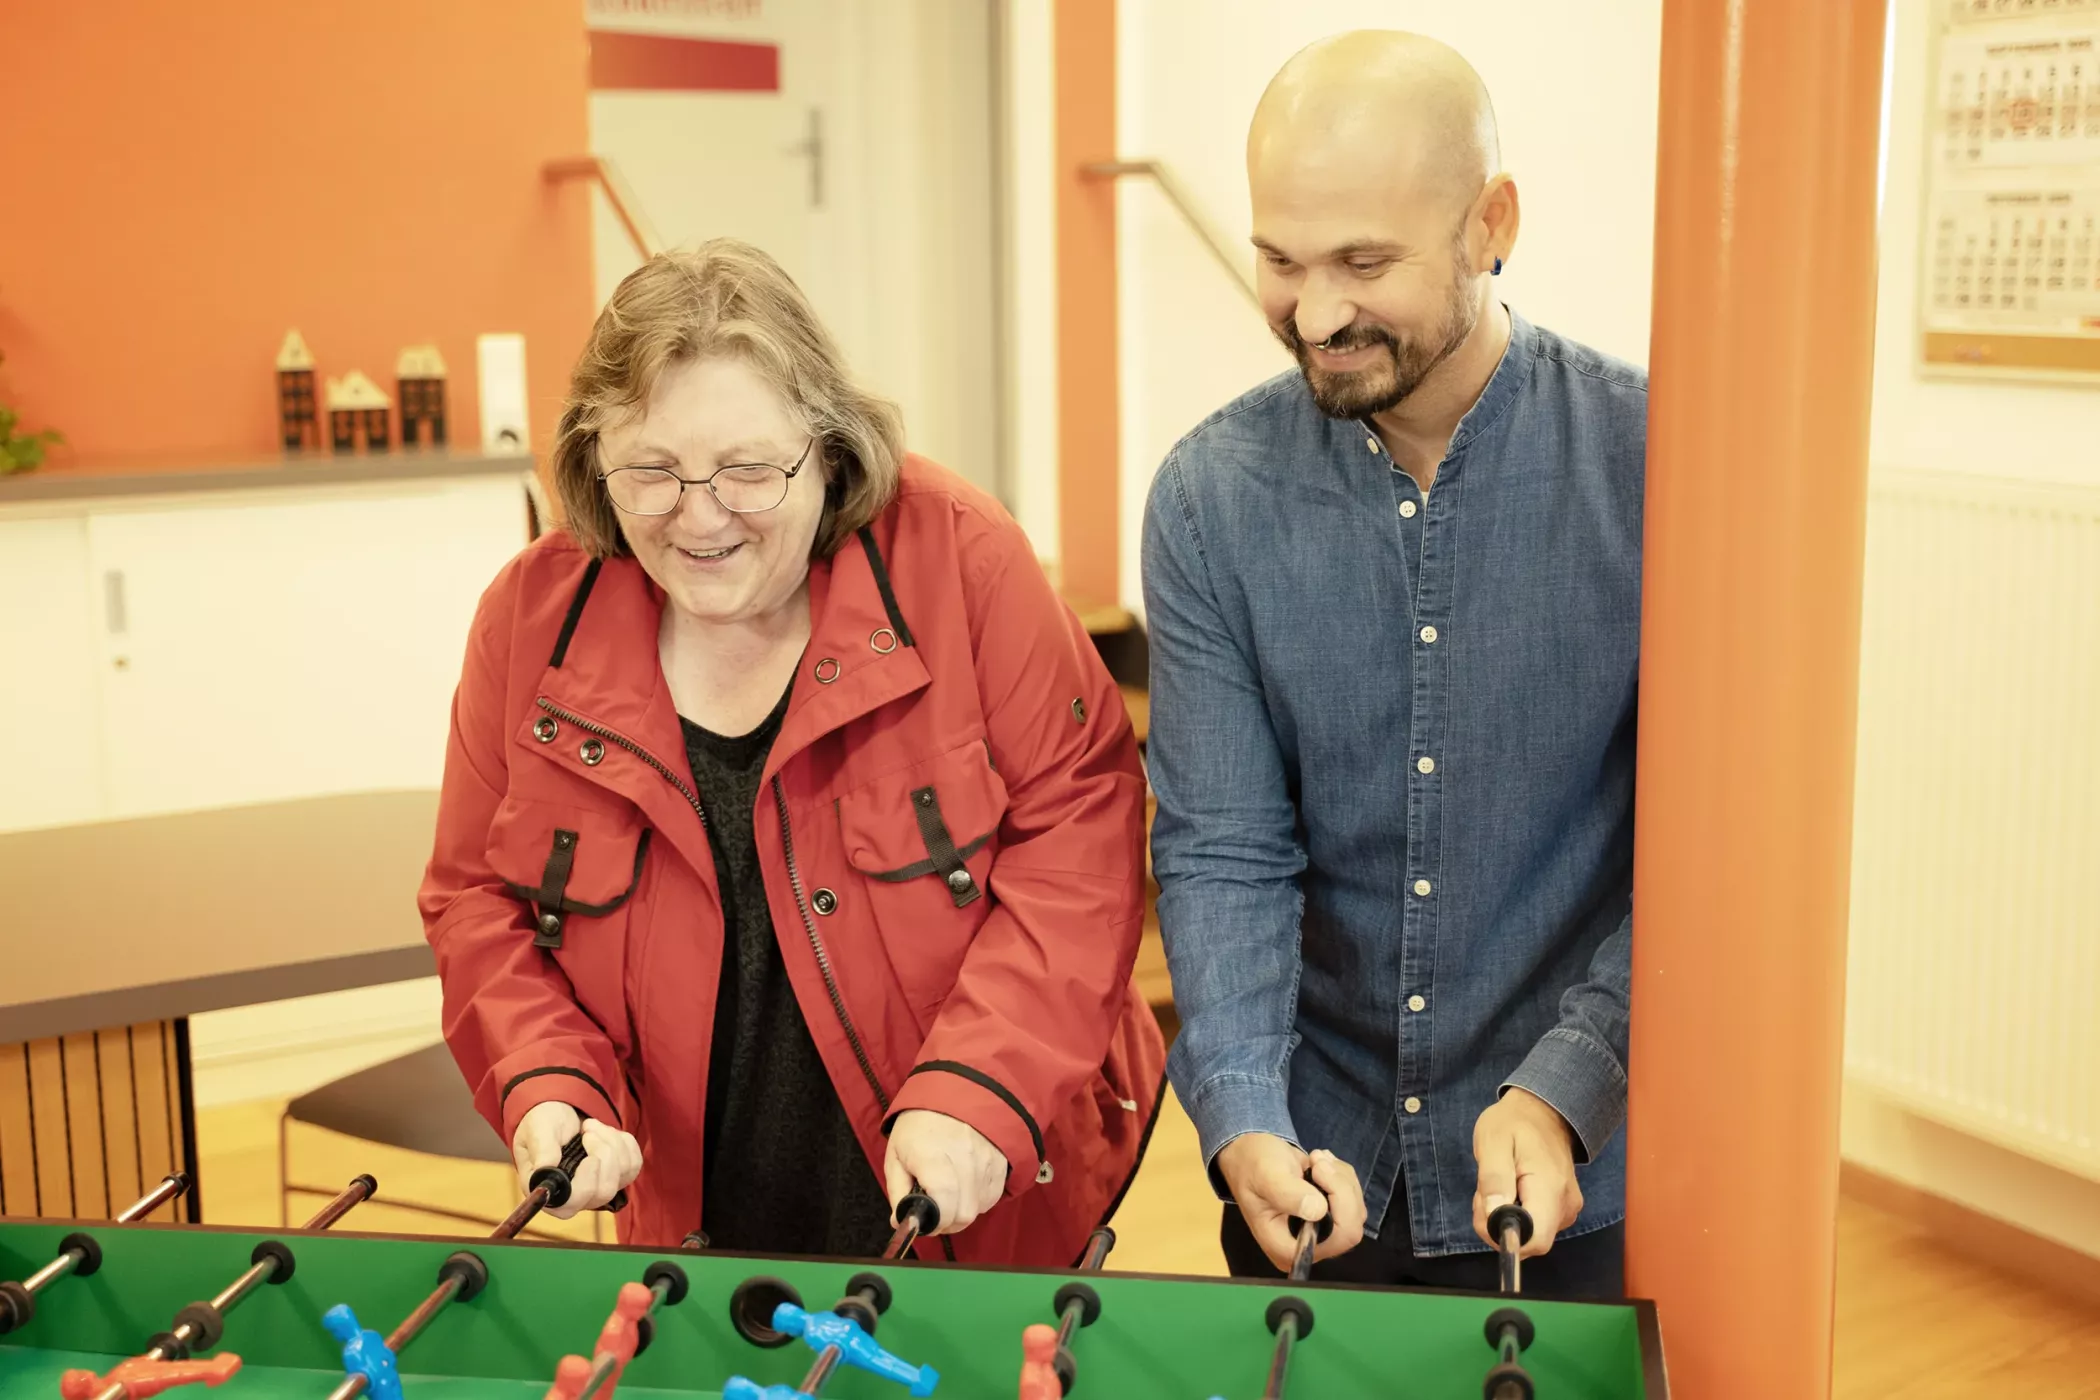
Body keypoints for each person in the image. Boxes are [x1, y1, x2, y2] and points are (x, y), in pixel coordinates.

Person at [419, 240, 1164, 1264]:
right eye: (651, 471)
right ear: (595, 461)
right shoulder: (530, 619)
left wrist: (983, 1083)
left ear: (829, 445)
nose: (701, 515)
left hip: (975, 1200)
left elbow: (1079, 834)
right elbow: (478, 900)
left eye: (748, 470)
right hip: (694, 1221)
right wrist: (549, 1079)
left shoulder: (963, 560)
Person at [1142, 30, 1644, 1297]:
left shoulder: (1657, 467)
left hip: (1570, 1178)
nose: (1314, 314)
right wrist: (1243, 1111)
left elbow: (1711, 853)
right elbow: (1221, 848)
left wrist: (1570, 1079)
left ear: (1492, 224)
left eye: (1365, 261)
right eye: (1279, 259)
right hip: (1311, 1173)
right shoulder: (1207, 498)